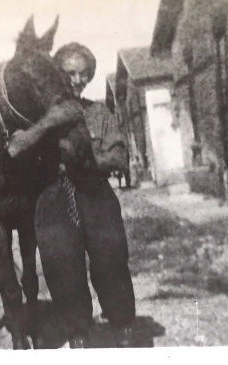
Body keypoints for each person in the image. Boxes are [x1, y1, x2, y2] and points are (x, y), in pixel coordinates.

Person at [8, 42, 136, 348]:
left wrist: (90, 163)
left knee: (111, 260)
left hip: (96, 195)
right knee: (62, 266)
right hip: (54, 199)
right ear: (56, 76)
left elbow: (119, 156)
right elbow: (19, 159)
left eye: (83, 74)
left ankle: (122, 326)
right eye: (69, 73)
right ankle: (77, 331)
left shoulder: (99, 113)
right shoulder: (36, 122)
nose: (77, 80)